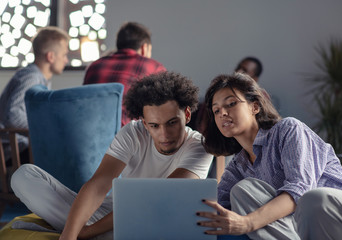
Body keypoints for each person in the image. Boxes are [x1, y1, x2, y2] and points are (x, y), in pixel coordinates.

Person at [11, 71, 213, 240]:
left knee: (150, 226)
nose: (164, 135)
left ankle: (87, 232)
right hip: (117, 213)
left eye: (172, 123)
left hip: (156, 220)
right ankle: (89, 232)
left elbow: (158, 198)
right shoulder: (134, 132)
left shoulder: (199, 146)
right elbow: (99, 184)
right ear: (144, 122)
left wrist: (85, 231)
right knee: (24, 176)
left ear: (187, 115)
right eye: (154, 125)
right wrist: (70, 236)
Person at [196, 73, 342, 239]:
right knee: (243, 190)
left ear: (255, 107)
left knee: (314, 199)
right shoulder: (238, 167)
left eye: (231, 103)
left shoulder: (288, 129)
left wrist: (247, 222)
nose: (222, 113)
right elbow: (214, 208)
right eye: (216, 110)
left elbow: (300, 188)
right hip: (305, 231)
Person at [0, 26, 69, 162]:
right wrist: (46, 126)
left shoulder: (39, 78)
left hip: (21, 146)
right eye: (64, 55)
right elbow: (12, 116)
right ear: (51, 56)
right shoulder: (32, 78)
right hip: (13, 150)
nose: (66, 60)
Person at [83, 22, 166, 127]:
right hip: (128, 136)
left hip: (91, 133)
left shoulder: (94, 66)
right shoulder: (153, 67)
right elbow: (165, 110)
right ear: (144, 48)